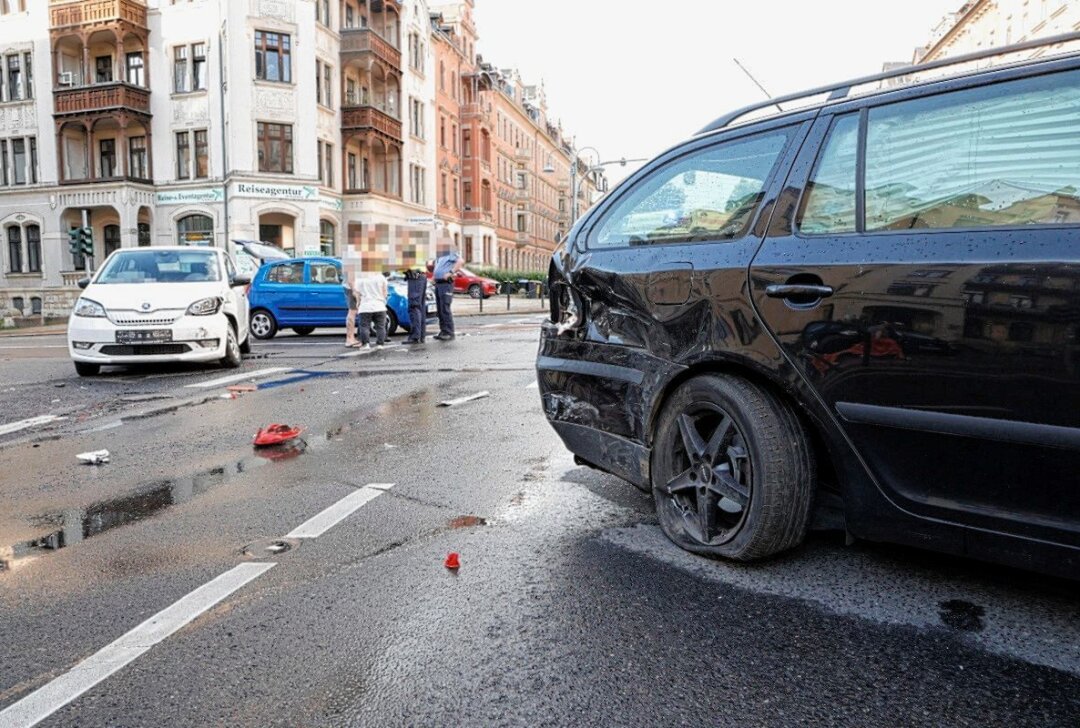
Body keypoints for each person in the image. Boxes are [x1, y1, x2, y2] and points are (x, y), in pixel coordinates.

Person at [431, 242, 463, 341]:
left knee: (445, 308)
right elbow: (437, 268)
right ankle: (443, 331)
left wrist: (451, 272)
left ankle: (449, 332)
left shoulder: (450, 252)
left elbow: (460, 261)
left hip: (446, 284)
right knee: (440, 309)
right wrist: (433, 277)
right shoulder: (439, 255)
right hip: (439, 283)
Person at [354, 266, 388, 349]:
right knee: (380, 326)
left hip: (365, 306)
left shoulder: (360, 279)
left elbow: (357, 293)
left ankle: (366, 344)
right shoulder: (381, 277)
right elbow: (385, 292)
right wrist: (383, 300)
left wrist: (358, 303)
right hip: (379, 305)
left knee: (364, 326)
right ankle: (380, 344)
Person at [404, 268, 427, 345]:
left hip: (415, 277)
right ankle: (421, 335)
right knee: (420, 308)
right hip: (419, 276)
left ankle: (415, 336)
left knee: (414, 307)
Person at [343, 263, 360, 348]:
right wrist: (354, 290)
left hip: (352, 287)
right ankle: (350, 339)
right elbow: (350, 279)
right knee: (352, 312)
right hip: (352, 288)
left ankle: (351, 338)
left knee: (353, 312)